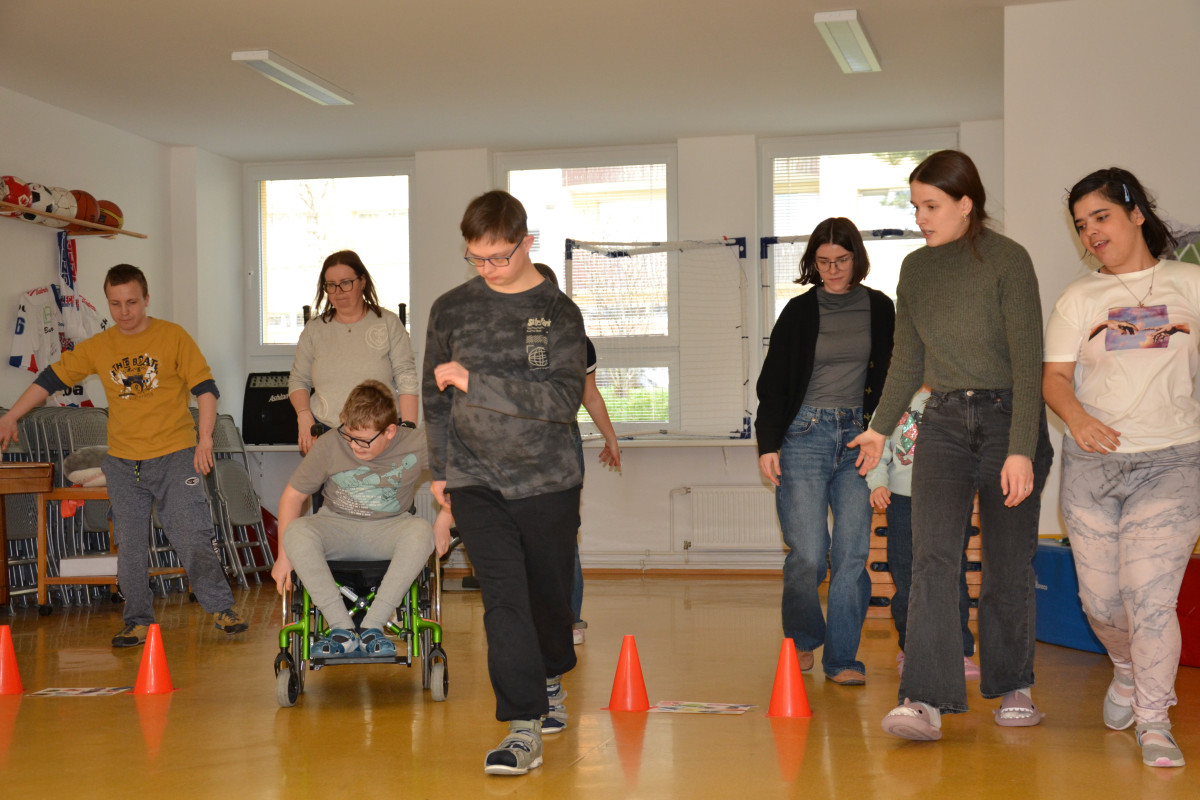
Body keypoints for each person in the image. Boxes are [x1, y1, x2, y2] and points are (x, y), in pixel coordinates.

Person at [849, 150, 1055, 741]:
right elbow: (906, 360)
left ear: (966, 204)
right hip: (941, 422)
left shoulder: (1008, 260)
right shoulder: (916, 269)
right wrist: (879, 427)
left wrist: (1021, 449)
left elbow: (1028, 362)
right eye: (916, 206)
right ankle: (924, 699)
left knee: (1006, 563)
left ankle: (1013, 687)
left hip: (1009, 419)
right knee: (932, 560)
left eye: (931, 206)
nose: (920, 217)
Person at [423, 190, 586, 776]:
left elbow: (562, 399)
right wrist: (441, 472)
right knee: (503, 601)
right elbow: (433, 399)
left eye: (498, 256)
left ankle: (550, 674)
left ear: (526, 242)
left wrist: (477, 382)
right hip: (475, 478)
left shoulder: (558, 312)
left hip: (548, 479)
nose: (488, 268)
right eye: (477, 258)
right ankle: (522, 728)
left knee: (547, 598)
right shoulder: (451, 308)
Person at [0, 264, 247, 647]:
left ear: (146, 299)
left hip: (175, 454)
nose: (124, 311)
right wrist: (12, 416)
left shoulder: (173, 336)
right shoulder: (100, 346)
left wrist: (205, 439)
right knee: (129, 545)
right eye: (115, 304)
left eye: (132, 302)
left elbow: (206, 389)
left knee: (191, 534)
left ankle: (221, 608)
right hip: (124, 462)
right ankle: (137, 621)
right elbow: (50, 379)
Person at [1043, 168, 1198, 769]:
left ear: (1136, 213)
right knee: (1102, 604)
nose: (1091, 233)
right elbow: (1055, 378)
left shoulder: (1190, 283)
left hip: (1172, 460)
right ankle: (1127, 668)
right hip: (1094, 465)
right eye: (1082, 225)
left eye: (1101, 217)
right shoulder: (1079, 298)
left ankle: (1155, 719)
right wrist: (1078, 419)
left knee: (1150, 599)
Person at [755, 217, 895, 685]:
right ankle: (801, 638)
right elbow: (773, 383)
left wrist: (883, 433)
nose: (833, 270)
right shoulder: (799, 311)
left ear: (857, 258)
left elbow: (894, 374)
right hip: (805, 435)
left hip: (860, 437)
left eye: (841, 260)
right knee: (809, 554)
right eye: (823, 261)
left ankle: (843, 658)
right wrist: (768, 444)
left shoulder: (880, 307)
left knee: (852, 554)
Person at [270, 380, 443, 656]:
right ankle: (341, 629)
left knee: (422, 531)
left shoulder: (416, 443)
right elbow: (292, 497)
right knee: (297, 531)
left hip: (389, 529)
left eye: (363, 441)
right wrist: (283, 556)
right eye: (349, 436)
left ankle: (373, 627)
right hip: (336, 527)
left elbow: (459, 474)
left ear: (389, 431)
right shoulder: (330, 443)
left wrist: (445, 519)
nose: (354, 447)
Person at [534, 262, 621, 646]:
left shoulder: (576, 341)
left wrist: (611, 438)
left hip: (560, 441)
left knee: (563, 532)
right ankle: (528, 620)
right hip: (515, 442)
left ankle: (570, 620)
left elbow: (590, 395)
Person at [865, 385, 979, 681]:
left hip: (950, 497)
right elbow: (877, 447)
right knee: (907, 577)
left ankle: (958, 651)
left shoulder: (961, 396)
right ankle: (912, 650)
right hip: (903, 501)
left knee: (952, 574)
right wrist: (878, 483)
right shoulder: (896, 398)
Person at [289, 250, 419, 456]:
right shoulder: (314, 330)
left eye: (346, 283)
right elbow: (298, 380)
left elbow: (406, 377)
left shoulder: (388, 323)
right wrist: (303, 416)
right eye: (331, 285)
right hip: (327, 433)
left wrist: (409, 431)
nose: (338, 291)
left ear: (362, 282)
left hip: (379, 437)